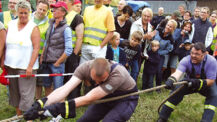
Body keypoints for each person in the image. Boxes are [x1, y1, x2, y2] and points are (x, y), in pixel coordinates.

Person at [24, 58, 139, 122]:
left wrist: (59, 108)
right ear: (90, 71)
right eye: (95, 80)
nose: (97, 83)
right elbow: (65, 89)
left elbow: (90, 98)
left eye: (102, 80)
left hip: (125, 99)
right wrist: (42, 103)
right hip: (106, 97)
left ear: (108, 73)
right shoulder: (84, 67)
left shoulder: (118, 74)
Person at [158, 42, 217, 122]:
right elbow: (178, 73)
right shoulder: (186, 60)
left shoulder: (212, 62)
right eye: (192, 53)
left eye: (196, 54)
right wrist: (171, 79)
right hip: (189, 82)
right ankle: (163, 117)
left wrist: (197, 82)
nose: (193, 56)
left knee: (214, 95)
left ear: (204, 54)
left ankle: (206, 120)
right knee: (175, 93)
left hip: (206, 83)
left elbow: (211, 81)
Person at [4, 0, 40, 116]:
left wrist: (30, 66)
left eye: (26, 13)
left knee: (26, 94)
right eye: (21, 13)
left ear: (29, 12)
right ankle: (18, 115)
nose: (23, 15)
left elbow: (36, 48)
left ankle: (29, 117)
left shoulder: (33, 27)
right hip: (11, 65)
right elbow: (5, 44)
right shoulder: (11, 24)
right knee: (14, 92)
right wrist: (3, 61)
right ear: (16, 12)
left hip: (26, 67)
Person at [40, 1, 73, 96]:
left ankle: (58, 109)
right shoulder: (50, 24)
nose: (53, 11)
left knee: (58, 90)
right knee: (46, 86)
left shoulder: (66, 29)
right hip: (46, 61)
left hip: (56, 64)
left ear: (63, 12)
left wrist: (58, 62)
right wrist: (42, 56)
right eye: (53, 9)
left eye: (56, 9)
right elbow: (46, 42)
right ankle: (48, 106)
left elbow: (69, 49)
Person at [63, 0, 84, 100]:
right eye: (77, 6)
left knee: (72, 76)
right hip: (64, 53)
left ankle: (73, 98)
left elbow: (80, 37)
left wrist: (75, 54)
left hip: (72, 53)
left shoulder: (77, 17)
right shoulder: (66, 15)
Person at [32, 0, 50, 100]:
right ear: (36, 7)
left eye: (44, 10)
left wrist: (42, 55)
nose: (41, 11)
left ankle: (37, 100)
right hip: (27, 53)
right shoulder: (28, 18)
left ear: (47, 11)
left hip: (39, 54)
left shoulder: (48, 23)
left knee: (39, 79)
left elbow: (47, 41)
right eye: (40, 9)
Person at [154, 19, 177, 89]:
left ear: (173, 29)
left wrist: (159, 52)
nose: (168, 27)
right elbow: (152, 38)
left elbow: (169, 49)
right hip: (152, 52)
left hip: (161, 55)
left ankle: (158, 87)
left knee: (159, 71)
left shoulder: (171, 39)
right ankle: (147, 85)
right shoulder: (158, 30)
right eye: (168, 25)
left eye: (170, 26)